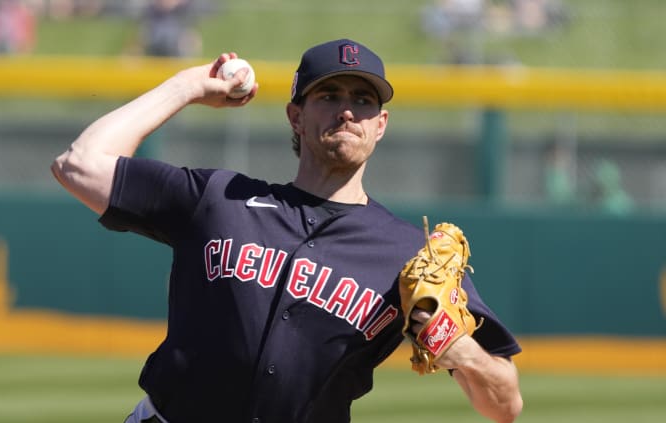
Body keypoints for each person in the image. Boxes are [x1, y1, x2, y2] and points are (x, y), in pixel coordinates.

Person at [51, 38, 523, 423]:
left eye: (363, 100)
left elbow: (504, 406)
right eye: (328, 95)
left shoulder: (408, 256)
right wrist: (190, 86)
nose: (346, 112)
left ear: (380, 125)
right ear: (295, 115)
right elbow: (79, 165)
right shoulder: (219, 199)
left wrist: (464, 352)